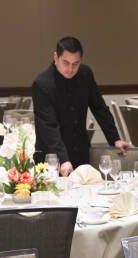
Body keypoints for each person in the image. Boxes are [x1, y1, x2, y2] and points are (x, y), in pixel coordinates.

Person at [32, 37, 131, 175]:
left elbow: (99, 108)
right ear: (56, 57)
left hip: (80, 152)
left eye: (75, 63)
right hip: (51, 158)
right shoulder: (42, 84)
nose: (70, 69)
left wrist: (115, 139)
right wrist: (63, 159)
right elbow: (49, 127)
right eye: (66, 63)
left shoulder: (85, 74)